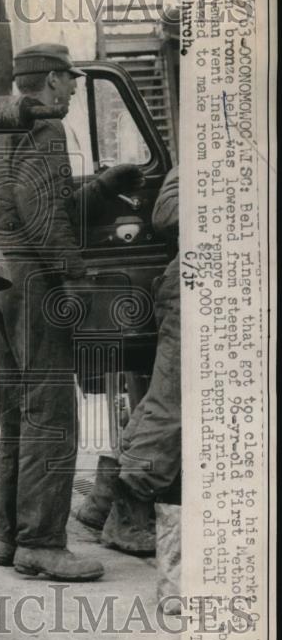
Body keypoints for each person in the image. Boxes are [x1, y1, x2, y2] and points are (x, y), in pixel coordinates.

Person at [0, 43, 145, 581]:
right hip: (34, 282)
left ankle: (11, 537)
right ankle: (43, 544)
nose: (75, 88)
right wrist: (72, 275)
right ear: (51, 81)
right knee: (51, 416)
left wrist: (101, 189)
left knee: (18, 415)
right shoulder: (47, 130)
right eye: (69, 80)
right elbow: (41, 213)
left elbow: (21, 205)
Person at [103, 167, 181, 603]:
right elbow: (167, 217)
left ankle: (105, 505)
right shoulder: (194, 166)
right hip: (193, 282)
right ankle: (127, 514)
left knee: (162, 402)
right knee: (171, 407)